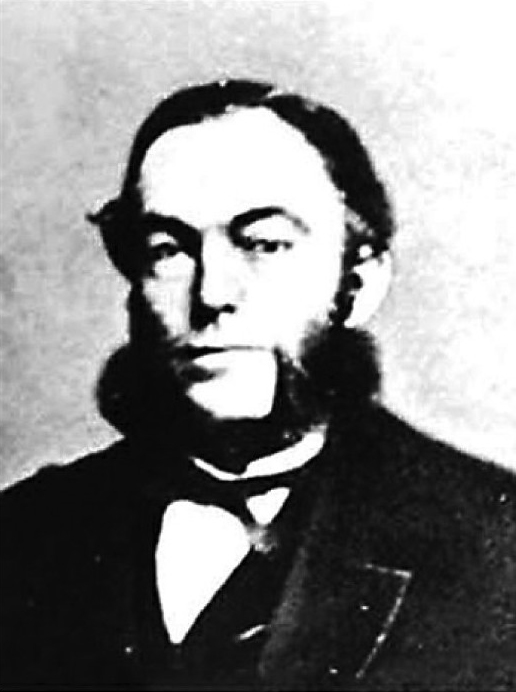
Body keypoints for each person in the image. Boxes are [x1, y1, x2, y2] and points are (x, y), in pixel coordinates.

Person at [1, 79, 515, 691]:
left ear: (359, 282)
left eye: (265, 243)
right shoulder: (25, 536)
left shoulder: (493, 543)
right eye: (168, 249)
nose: (212, 293)